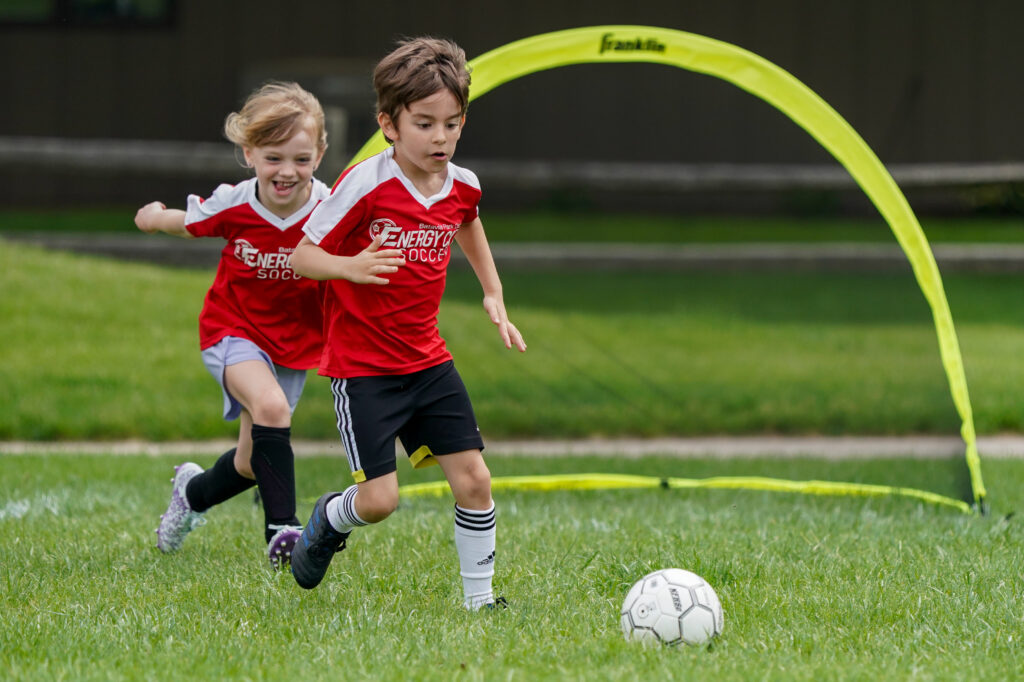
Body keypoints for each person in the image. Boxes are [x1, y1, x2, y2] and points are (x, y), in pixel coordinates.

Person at [288, 37, 526, 609]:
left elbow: (468, 222)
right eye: (424, 123)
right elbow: (302, 255)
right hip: (363, 368)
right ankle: (326, 518)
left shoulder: (462, 184)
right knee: (379, 501)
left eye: (452, 123)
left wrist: (492, 291)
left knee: (474, 480)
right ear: (389, 124)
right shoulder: (365, 185)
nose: (440, 137)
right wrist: (350, 265)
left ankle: (480, 602)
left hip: (428, 361)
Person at [135, 81, 331, 568]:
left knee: (250, 462)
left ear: (320, 154)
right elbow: (192, 221)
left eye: (301, 159)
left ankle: (192, 493)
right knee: (269, 405)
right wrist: (157, 218)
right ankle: (285, 535)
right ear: (249, 153)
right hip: (232, 329)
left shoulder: (331, 208)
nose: (287, 172)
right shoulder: (236, 202)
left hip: (293, 344)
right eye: (273, 158)